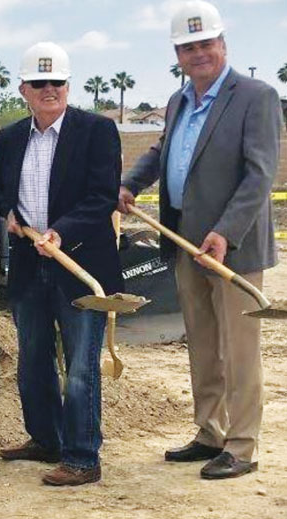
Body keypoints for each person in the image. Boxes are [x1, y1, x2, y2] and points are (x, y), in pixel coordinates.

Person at [118, 0, 282, 480]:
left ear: (223, 44)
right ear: (178, 54)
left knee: (239, 348)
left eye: (205, 43)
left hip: (233, 249)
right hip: (186, 244)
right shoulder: (179, 101)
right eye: (188, 47)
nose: (198, 54)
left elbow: (259, 175)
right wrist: (131, 183)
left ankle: (243, 445)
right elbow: (161, 150)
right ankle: (210, 431)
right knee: (204, 345)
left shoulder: (256, 96)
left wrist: (225, 233)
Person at [0, 42, 122, 486]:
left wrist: (62, 230)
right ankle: (45, 439)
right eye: (39, 83)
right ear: (23, 88)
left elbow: (101, 198)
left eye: (57, 83)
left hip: (79, 265)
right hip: (30, 265)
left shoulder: (97, 131)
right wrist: (7, 211)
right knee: (33, 360)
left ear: (68, 85)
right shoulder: (9, 138)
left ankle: (83, 456)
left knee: (81, 368)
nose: (50, 90)